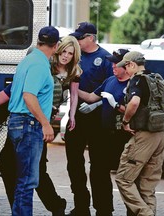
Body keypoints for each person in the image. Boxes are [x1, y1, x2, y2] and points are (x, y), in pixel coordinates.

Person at [7, 25, 59, 216]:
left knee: (23, 180)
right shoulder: (39, 64)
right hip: (29, 125)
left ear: (38, 41)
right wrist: (45, 123)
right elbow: (29, 96)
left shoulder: (28, 60)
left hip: (18, 122)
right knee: (27, 181)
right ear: (56, 46)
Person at [65, 22, 114, 216]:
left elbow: (112, 89)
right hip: (77, 117)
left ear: (91, 38)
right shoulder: (73, 57)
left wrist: (96, 103)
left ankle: (103, 209)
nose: (76, 40)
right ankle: (81, 206)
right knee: (74, 164)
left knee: (99, 166)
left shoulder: (106, 58)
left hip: (99, 120)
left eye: (80, 37)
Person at [77, 48, 133, 215]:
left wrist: (114, 103)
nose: (113, 66)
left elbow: (135, 110)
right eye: (113, 63)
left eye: (117, 63)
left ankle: (133, 211)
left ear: (128, 65)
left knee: (127, 177)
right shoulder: (109, 81)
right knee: (98, 172)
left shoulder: (135, 84)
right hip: (104, 135)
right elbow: (90, 98)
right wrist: (71, 86)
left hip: (124, 136)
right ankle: (103, 209)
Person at [115, 51, 164, 216]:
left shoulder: (138, 80)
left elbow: (134, 102)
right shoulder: (156, 78)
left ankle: (145, 213)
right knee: (147, 185)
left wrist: (125, 121)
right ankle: (149, 211)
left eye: (126, 67)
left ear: (131, 64)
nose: (125, 70)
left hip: (144, 135)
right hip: (160, 134)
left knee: (124, 178)